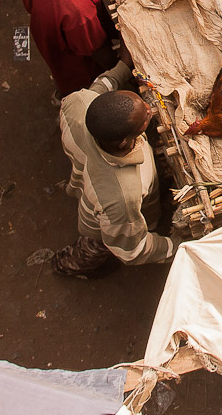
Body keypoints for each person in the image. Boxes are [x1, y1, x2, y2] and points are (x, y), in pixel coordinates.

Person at [51, 59, 177, 277]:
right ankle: (70, 265)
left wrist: (123, 67)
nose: (150, 109)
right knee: (96, 247)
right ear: (124, 141)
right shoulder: (123, 196)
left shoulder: (76, 104)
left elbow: (99, 88)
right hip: (101, 224)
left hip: (89, 185)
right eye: (145, 117)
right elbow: (133, 250)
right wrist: (176, 246)